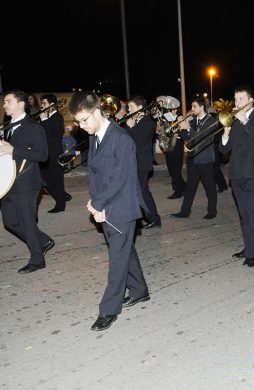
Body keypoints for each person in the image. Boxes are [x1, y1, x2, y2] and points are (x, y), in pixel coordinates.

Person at [69, 91, 149, 331]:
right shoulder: (96, 136)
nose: (81, 126)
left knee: (117, 258)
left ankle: (108, 310)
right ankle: (139, 290)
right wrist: (95, 202)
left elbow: (119, 179)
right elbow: (96, 173)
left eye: (84, 120)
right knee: (124, 250)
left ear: (96, 112)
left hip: (122, 206)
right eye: (78, 122)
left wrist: (99, 204)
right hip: (105, 204)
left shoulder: (121, 139)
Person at [0, 90, 54, 274]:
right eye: (4, 102)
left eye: (8, 101)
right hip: (8, 183)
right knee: (10, 221)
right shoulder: (6, 127)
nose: (4, 104)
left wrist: (14, 150)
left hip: (27, 182)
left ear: (21, 104)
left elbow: (42, 155)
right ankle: (43, 241)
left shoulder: (33, 127)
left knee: (27, 220)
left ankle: (37, 259)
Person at [220, 85, 254, 267]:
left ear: (250, 100)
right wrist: (225, 135)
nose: (237, 103)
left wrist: (244, 121)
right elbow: (224, 149)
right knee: (243, 214)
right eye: (235, 99)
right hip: (237, 174)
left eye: (240, 99)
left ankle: (252, 253)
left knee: (253, 213)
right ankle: (248, 246)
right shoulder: (233, 120)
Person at [172, 97, 218, 219]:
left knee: (209, 187)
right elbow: (185, 137)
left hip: (205, 159)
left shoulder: (211, 121)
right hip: (193, 158)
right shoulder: (193, 121)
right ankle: (184, 211)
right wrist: (181, 127)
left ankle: (212, 211)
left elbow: (201, 138)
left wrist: (188, 128)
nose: (191, 109)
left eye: (194, 106)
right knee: (190, 187)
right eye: (192, 107)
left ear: (202, 107)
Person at [125, 95, 162, 229]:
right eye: (128, 107)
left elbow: (140, 141)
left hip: (142, 163)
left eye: (131, 107)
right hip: (132, 162)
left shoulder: (149, 122)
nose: (128, 109)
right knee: (137, 191)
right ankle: (141, 219)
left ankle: (154, 219)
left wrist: (130, 127)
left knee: (141, 192)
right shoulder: (131, 121)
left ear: (140, 108)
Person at [38, 94, 71, 213]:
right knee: (43, 179)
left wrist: (43, 120)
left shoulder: (57, 117)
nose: (42, 106)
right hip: (45, 153)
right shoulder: (45, 118)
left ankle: (60, 205)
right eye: (42, 103)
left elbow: (52, 135)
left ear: (52, 104)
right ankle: (62, 195)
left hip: (55, 153)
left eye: (44, 103)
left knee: (57, 179)